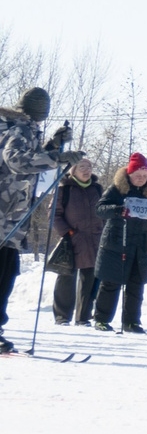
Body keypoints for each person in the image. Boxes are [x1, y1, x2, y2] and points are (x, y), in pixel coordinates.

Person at [0, 88, 72, 350]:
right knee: (3, 274)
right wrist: (57, 157)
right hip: (5, 215)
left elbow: (25, 158)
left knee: (6, 272)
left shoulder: (14, 126)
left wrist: (53, 145)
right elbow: (17, 161)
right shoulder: (22, 128)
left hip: (9, 215)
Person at [93, 154, 147, 333]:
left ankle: (131, 322)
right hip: (116, 243)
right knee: (111, 283)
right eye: (137, 174)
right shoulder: (117, 189)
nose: (141, 178)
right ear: (129, 174)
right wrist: (116, 210)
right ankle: (101, 319)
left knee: (136, 284)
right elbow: (100, 209)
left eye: (144, 174)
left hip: (141, 245)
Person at [50, 153, 103, 325]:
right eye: (82, 167)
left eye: (89, 167)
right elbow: (54, 215)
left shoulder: (97, 189)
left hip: (94, 240)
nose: (87, 170)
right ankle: (62, 316)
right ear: (73, 170)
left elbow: (104, 212)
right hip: (72, 239)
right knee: (66, 277)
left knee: (89, 279)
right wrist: (67, 232)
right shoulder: (63, 189)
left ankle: (84, 316)